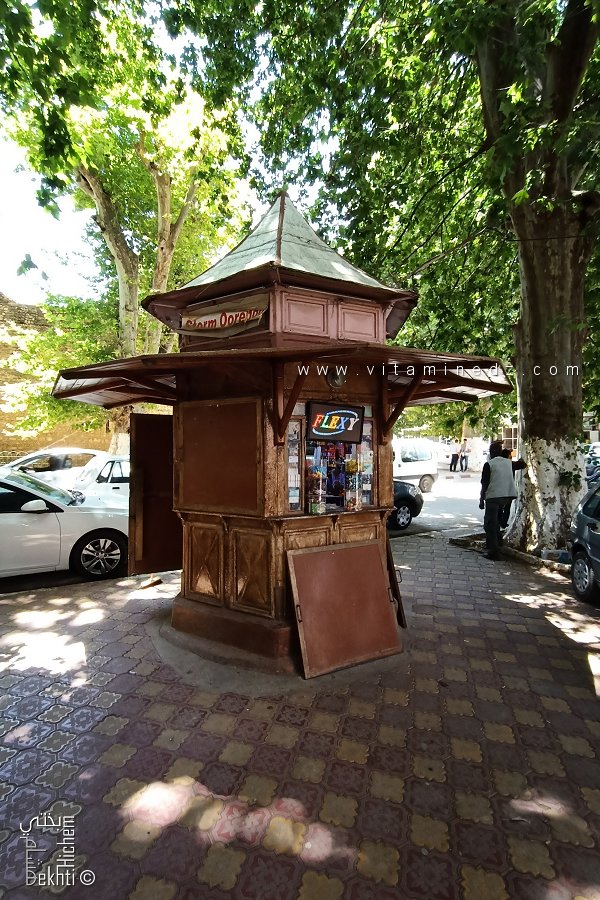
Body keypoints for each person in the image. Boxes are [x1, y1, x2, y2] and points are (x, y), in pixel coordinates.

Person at [479, 441, 525, 560]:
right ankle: (499, 543)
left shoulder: (489, 464)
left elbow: (484, 484)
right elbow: (522, 465)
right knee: (496, 522)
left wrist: (481, 500)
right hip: (508, 496)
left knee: (489, 523)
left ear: (491, 452)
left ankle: (493, 552)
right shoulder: (509, 463)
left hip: (493, 497)